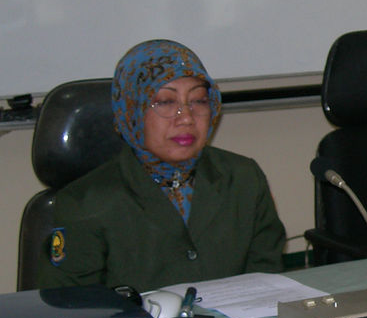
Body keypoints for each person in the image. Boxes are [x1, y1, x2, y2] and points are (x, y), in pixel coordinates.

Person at [38, 39, 287, 292]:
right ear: (132, 111)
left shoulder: (243, 177)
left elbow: (266, 280)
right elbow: (73, 310)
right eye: (166, 102)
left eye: (199, 100)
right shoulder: (85, 202)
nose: (187, 118)